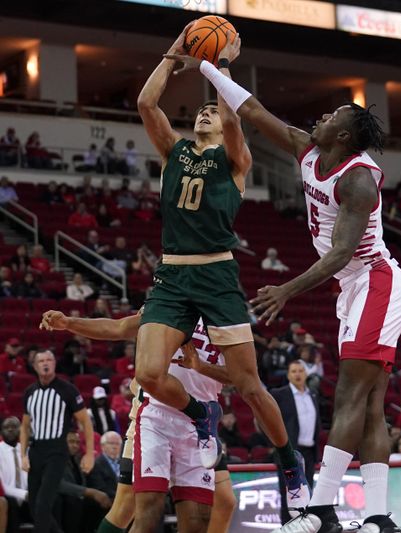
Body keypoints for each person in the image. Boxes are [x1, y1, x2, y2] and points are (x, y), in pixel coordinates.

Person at [170, 35, 401, 533]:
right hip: (353, 288)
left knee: (350, 395)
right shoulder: (309, 150)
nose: (321, 118)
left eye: (333, 118)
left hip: (376, 281)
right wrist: (208, 67)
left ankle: (321, 510)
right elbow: (255, 112)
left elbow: (344, 253)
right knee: (368, 405)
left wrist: (286, 289)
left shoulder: (358, 180)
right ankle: (378, 517)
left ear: (344, 138)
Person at [137, 24, 306, 500]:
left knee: (249, 385)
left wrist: (220, 65)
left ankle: (289, 461)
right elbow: (147, 105)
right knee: (148, 375)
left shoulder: (235, 160)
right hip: (172, 273)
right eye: (203, 110)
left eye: (213, 109)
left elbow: (234, 117)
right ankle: (200, 413)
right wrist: (173, 53)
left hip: (215, 272)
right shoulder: (174, 152)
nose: (207, 113)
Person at [39, 310, 239, 533]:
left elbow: (242, 375)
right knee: (129, 509)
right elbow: (119, 327)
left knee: (224, 502)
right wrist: (69, 323)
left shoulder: (223, 309)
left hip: (200, 426)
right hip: (156, 417)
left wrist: (202, 368)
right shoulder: (166, 302)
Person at [20, 349, 95, 533]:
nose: (45, 363)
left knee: (43, 504)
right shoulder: (29, 392)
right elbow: (24, 426)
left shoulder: (67, 390)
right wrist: (23, 455)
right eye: (41, 361)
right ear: (35, 366)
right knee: (34, 505)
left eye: (49, 360)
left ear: (54, 363)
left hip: (56, 451)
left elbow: (85, 422)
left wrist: (89, 454)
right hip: (36, 450)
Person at [272, 360, 321, 524]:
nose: (298, 374)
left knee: (308, 495)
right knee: (290, 495)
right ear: (288, 375)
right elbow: (265, 420)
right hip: (289, 452)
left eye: (301, 370)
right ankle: (288, 527)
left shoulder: (312, 394)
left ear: (306, 374)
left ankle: (304, 527)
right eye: (294, 371)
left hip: (309, 452)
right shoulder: (279, 394)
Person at [0, 416, 29, 531]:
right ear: (1, 431)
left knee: (50, 500)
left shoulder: (27, 450)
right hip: (8, 495)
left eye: (14, 426)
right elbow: (2, 487)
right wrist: (24, 494)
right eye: (7, 427)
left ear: (21, 430)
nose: (10, 429)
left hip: (28, 496)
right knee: (10, 502)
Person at [87, 431, 123, 506]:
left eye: (117, 444)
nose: (115, 447)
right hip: (106, 505)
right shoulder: (96, 464)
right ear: (103, 446)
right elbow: (99, 487)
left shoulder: (125, 463)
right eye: (111, 443)